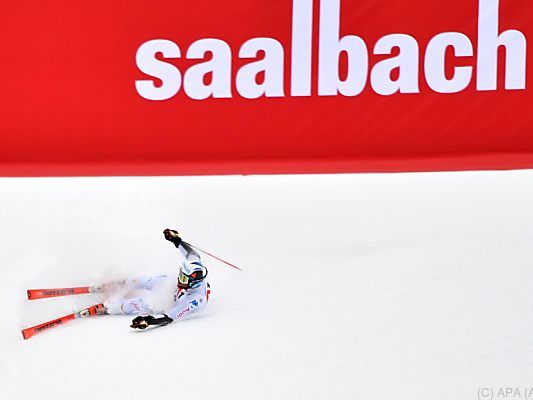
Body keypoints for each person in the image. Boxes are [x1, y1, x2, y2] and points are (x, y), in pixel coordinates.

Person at [103, 229, 210, 330]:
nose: (179, 279)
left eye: (183, 278)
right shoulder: (194, 268)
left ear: (193, 283)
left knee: (138, 303)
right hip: (178, 290)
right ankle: (121, 284)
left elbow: (170, 317)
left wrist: (149, 321)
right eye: (180, 275)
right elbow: (192, 255)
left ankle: (110, 307)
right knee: (145, 281)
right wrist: (176, 240)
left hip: (171, 303)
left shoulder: (194, 300)